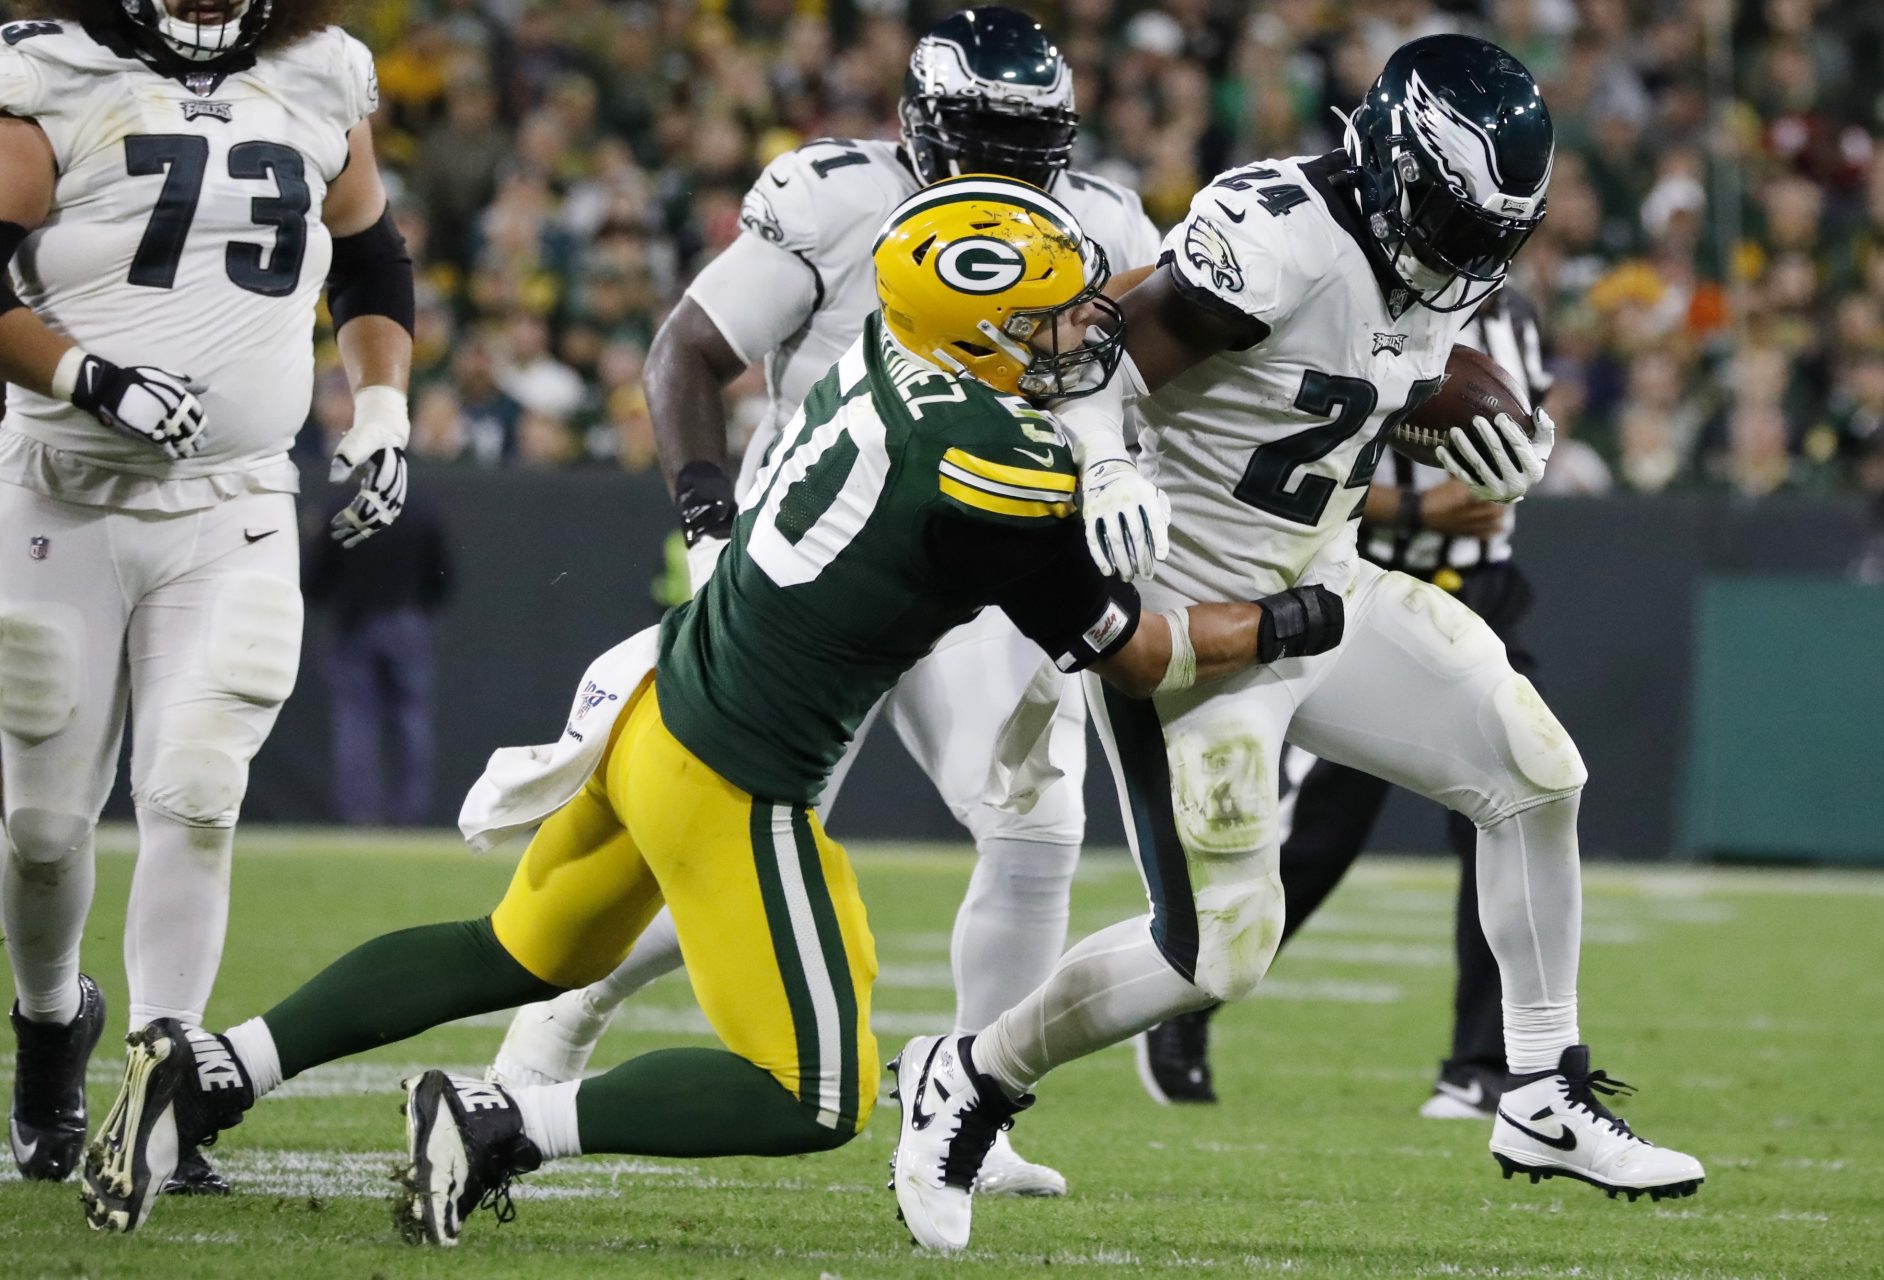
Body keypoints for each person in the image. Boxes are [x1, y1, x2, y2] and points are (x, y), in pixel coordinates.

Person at [77, 179, 1343, 1243]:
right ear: (975, 336)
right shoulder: (992, 472)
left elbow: (1014, 401)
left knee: (517, 951)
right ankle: (499, 1121)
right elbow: (1141, 654)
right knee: (820, 1090)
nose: (1082, 329)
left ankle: (210, 1063)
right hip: (737, 769)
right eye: (1046, 315)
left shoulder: (888, 357)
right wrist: (1294, 618)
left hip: (670, 698)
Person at [890, 36, 1704, 1253]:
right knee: (1218, 950)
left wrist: (1488, 424)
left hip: (1322, 587)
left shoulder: (1437, 251)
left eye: (1490, 237)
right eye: (1451, 222)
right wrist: (1107, 458)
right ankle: (971, 1071)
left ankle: (1538, 1087)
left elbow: (1377, 374)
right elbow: (1083, 345)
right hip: (1193, 621)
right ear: (1391, 164)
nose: (1465, 258)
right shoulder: (1272, 231)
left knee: (1535, 769)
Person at [485, 5, 1167, 1199]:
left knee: (1038, 822)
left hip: (996, 561)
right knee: (716, 839)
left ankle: (971, 1103)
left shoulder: (1104, 221)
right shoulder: (840, 196)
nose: (1010, 170)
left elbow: (1137, 376)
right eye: (987, 140)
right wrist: (707, 527)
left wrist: (1117, 464)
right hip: (826, 561)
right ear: (925, 129)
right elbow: (686, 351)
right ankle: (547, 1039)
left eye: (1030, 143)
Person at [0, 0, 413, 1194]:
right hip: (59, 492)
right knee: (40, 831)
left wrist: (379, 411)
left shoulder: (323, 74)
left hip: (232, 500)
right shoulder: (52, 69)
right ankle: (47, 1021)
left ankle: (157, 1085)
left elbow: (371, 254)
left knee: (197, 788)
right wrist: (90, 378)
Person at [1136, 288, 1553, 1117]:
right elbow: (1285, 461)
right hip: (1364, 586)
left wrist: (1519, 463)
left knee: (1513, 805)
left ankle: (1485, 1064)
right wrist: (1414, 504)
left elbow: (1521, 438)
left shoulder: (1517, 314)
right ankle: (1187, 988)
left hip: (1483, 588)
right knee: (1317, 838)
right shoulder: (1352, 298)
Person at [305, 491, 455, 825]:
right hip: (407, 622)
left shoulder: (343, 506)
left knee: (357, 721)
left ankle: (361, 816)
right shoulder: (418, 506)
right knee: (410, 719)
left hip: (353, 623)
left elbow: (316, 578)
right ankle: (409, 814)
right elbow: (442, 575)